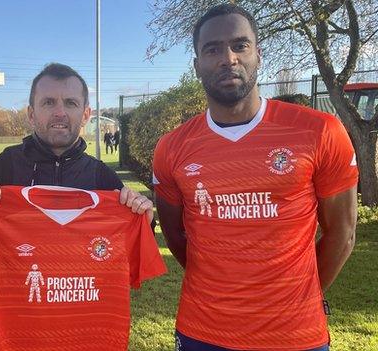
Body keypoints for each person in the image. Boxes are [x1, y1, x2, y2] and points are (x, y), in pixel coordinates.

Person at [153, 4, 358, 351]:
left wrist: (299, 293)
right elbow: (176, 237)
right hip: (203, 331)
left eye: (240, 45)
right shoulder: (172, 148)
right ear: (197, 65)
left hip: (295, 334)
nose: (228, 58)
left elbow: (344, 233)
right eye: (212, 49)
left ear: (258, 54)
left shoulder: (319, 131)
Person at [0, 63, 153, 259]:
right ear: (31, 113)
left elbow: (135, 254)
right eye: (48, 102)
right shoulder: (2, 168)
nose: (60, 113)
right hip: (18, 293)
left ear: (85, 115)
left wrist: (144, 219)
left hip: (84, 293)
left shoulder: (101, 176)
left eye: (70, 103)